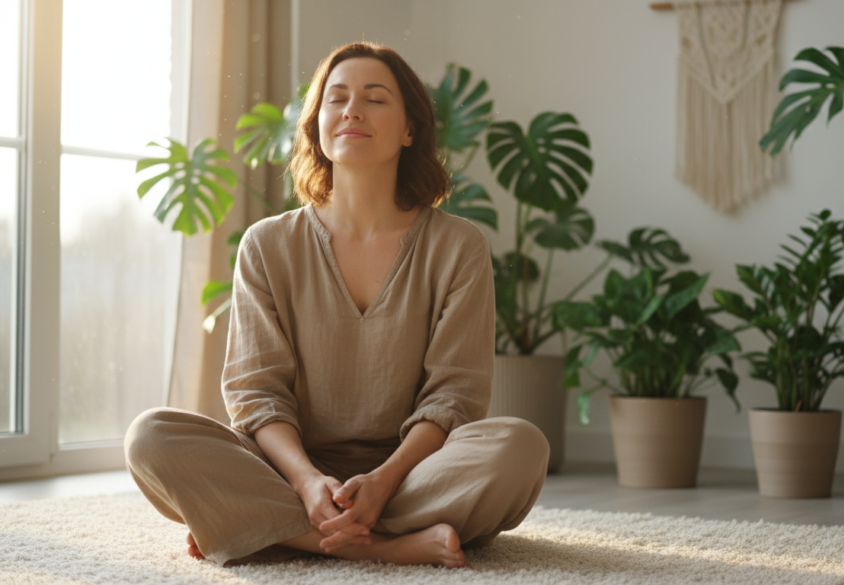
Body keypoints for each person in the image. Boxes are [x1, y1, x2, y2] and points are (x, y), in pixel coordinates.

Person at [124, 41, 549, 569]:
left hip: (414, 472)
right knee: (151, 437)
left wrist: (382, 480)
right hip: (287, 468)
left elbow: (454, 398)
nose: (351, 110)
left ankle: (269, 531)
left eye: (375, 99)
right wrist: (305, 481)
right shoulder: (266, 244)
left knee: (521, 447)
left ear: (410, 129)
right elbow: (257, 395)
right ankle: (392, 547)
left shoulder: (458, 246)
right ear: (317, 125)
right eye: (336, 98)